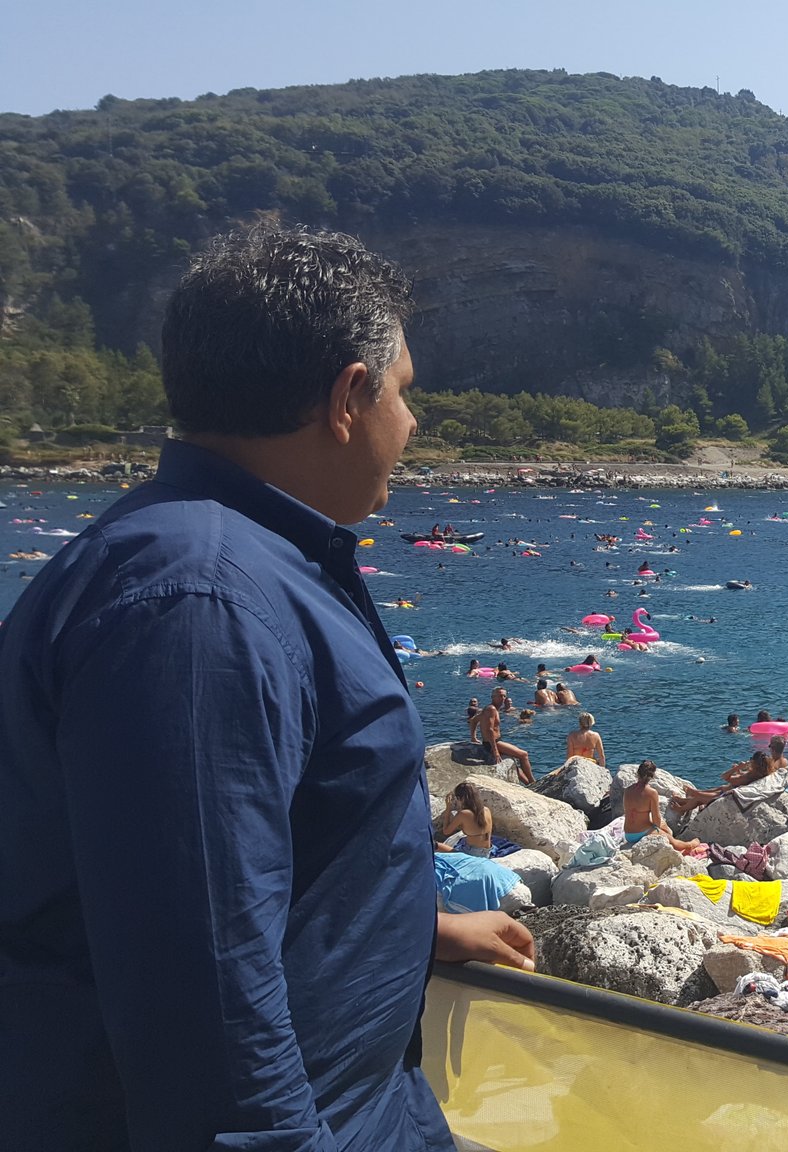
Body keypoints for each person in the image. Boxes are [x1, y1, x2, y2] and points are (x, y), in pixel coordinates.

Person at [0, 224, 533, 1149]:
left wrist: (411, 925)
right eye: (404, 395)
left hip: (373, 1107)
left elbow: (236, 862)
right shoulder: (203, 608)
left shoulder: (225, 562)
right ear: (349, 396)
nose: (412, 427)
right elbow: (199, 1005)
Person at [623, 760, 699, 852]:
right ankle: (689, 845)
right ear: (653, 776)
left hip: (628, 834)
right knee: (671, 839)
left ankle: (671, 837)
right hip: (640, 834)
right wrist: (663, 832)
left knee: (664, 827)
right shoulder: (651, 793)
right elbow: (656, 820)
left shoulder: (627, 790)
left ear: (638, 773)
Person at [473, 702, 534, 785]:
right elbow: (489, 730)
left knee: (514, 761)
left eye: (504, 696)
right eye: (500, 696)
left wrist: (473, 737)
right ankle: (532, 782)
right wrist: (495, 751)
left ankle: (528, 784)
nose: (502, 699)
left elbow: (474, 720)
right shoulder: (491, 709)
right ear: (493, 697)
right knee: (524, 755)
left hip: (495, 741)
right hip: (493, 743)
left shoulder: (489, 709)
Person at [437, 782, 493, 856]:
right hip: (487, 852)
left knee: (436, 846)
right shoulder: (486, 810)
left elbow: (446, 831)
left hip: (471, 853)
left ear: (462, 799)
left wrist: (448, 808)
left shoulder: (464, 814)